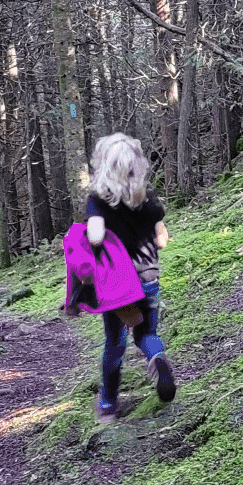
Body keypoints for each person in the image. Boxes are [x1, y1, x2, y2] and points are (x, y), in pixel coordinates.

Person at [86, 133, 177, 421]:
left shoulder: (98, 200)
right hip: (148, 279)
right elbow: (161, 240)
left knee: (114, 344)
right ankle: (157, 360)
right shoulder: (148, 198)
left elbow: (95, 237)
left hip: (117, 286)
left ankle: (108, 405)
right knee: (147, 334)